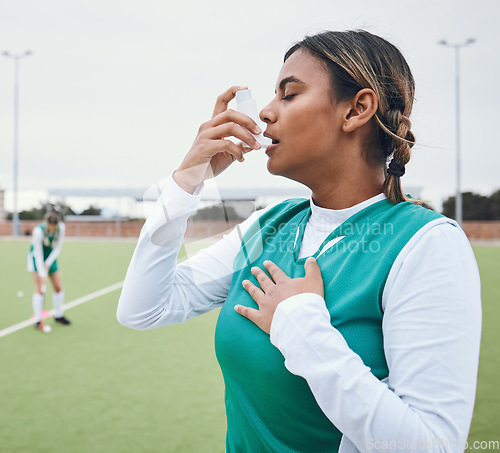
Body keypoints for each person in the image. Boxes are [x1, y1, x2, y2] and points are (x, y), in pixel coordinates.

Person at [117, 30, 481, 452]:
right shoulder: (268, 224)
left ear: (357, 109)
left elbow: (432, 445)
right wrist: (185, 183)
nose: (266, 113)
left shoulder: (427, 244)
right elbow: (144, 309)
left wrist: (300, 325)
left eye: (289, 95)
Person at [28, 212, 71, 332]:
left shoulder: (61, 228)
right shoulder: (38, 231)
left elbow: (58, 247)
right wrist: (42, 273)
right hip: (35, 259)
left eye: (54, 226)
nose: (52, 228)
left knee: (58, 287)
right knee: (40, 289)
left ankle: (59, 315)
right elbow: (37, 253)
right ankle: (38, 320)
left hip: (51, 257)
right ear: (46, 223)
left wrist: (48, 263)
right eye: (50, 226)